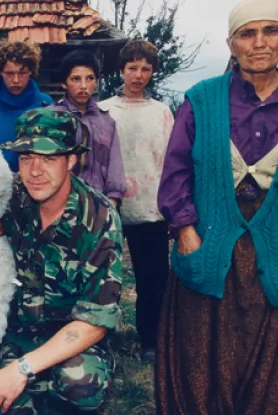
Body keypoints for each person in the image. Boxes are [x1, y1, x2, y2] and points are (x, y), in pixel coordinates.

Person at [155, 0, 278, 413]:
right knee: (204, 358)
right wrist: (187, 231)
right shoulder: (201, 100)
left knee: (277, 366)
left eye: (271, 30)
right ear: (231, 43)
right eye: (247, 33)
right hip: (210, 245)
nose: (260, 43)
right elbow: (175, 172)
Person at [0, 107, 123, 414]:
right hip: (19, 330)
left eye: (48, 158)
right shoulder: (11, 197)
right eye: (26, 157)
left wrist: (22, 369)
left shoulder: (98, 218)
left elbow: (95, 320)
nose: (34, 170)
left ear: (71, 160)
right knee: (0, 404)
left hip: (74, 334)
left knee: (80, 385)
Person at [98, 40, 174, 361]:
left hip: (150, 210)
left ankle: (150, 340)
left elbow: (172, 162)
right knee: (102, 278)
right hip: (108, 210)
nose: (138, 75)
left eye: (145, 69)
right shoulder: (104, 110)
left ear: (152, 72)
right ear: (121, 71)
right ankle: (100, 335)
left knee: (152, 279)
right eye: (132, 68)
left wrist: (172, 209)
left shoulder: (161, 112)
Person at [52, 49, 125, 205]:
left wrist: (111, 204)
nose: (83, 86)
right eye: (76, 79)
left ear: (97, 81)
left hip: (99, 205)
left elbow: (115, 167)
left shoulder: (106, 121)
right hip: (60, 206)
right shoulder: (52, 118)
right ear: (64, 83)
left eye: (90, 78)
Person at [0, 40, 52, 172]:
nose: (16, 80)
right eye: (10, 73)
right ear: (0, 72)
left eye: (22, 73)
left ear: (31, 72)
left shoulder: (45, 105)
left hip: (34, 185)